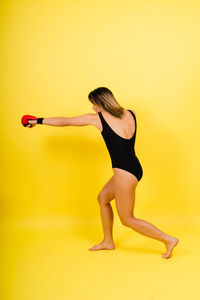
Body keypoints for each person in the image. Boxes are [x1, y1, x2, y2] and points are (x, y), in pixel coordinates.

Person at [27, 87, 179, 259]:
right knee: (103, 198)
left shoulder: (98, 119)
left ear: (100, 103)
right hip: (134, 166)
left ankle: (168, 239)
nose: (93, 108)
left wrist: (37, 120)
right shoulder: (131, 113)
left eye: (94, 104)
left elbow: (64, 121)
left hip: (124, 173)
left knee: (127, 219)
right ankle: (108, 241)